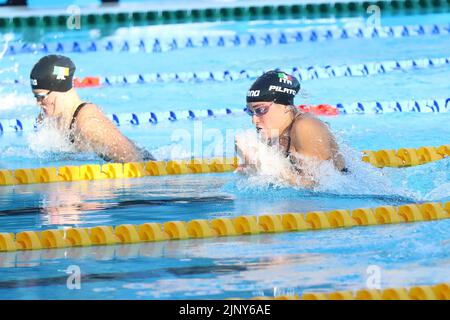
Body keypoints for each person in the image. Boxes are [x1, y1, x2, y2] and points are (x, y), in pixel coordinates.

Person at [30, 54, 154, 163]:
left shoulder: (88, 122)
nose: (38, 103)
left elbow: (134, 160)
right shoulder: (46, 119)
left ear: (60, 88)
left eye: (41, 97)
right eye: (35, 97)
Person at [235, 70, 347, 187]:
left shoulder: (306, 127)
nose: (254, 120)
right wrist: (248, 167)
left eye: (260, 110)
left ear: (286, 106)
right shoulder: (276, 133)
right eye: (250, 112)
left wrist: (263, 163)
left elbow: (320, 187)